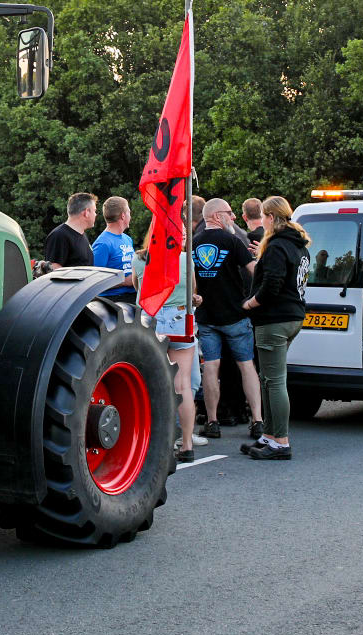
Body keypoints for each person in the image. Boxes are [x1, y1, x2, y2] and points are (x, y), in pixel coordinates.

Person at [242, 195, 310, 459]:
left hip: (274, 319)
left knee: (275, 381)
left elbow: (272, 285)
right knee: (268, 379)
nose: (263, 221)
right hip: (293, 316)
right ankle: (269, 436)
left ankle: (280, 441)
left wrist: (250, 304)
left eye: (264, 216)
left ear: (270, 217)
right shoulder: (299, 246)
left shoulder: (277, 246)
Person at [194, 197, 263, 440]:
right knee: (247, 366)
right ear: (216, 216)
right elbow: (255, 273)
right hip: (235, 315)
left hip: (206, 317)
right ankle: (257, 421)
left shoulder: (193, 243)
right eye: (229, 213)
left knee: (211, 368)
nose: (233, 217)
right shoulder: (233, 241)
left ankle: (212, 421)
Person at [139, 222, 203, 461]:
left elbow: (139, 289)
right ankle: (186, 444)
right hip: (179, 319)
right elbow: (192, 291)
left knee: (149, 382)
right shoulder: (186, 260)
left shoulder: (140, 260)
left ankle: (152, 441)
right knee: (183, 385)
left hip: (152, 319)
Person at [91, 196, 136, 299]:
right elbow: (94, 280)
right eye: (129, 212)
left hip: (133, 296)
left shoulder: (127, 239)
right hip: (114, 300)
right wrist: (125, 281)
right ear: (123, 216)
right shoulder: (103, 244)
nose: (130, 216)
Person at [44, 193, 96, 269]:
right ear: (87, 212)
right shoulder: (59, 236)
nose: (95, 214)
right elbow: (54, 272)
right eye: (94, 211)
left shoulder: (82, 234)